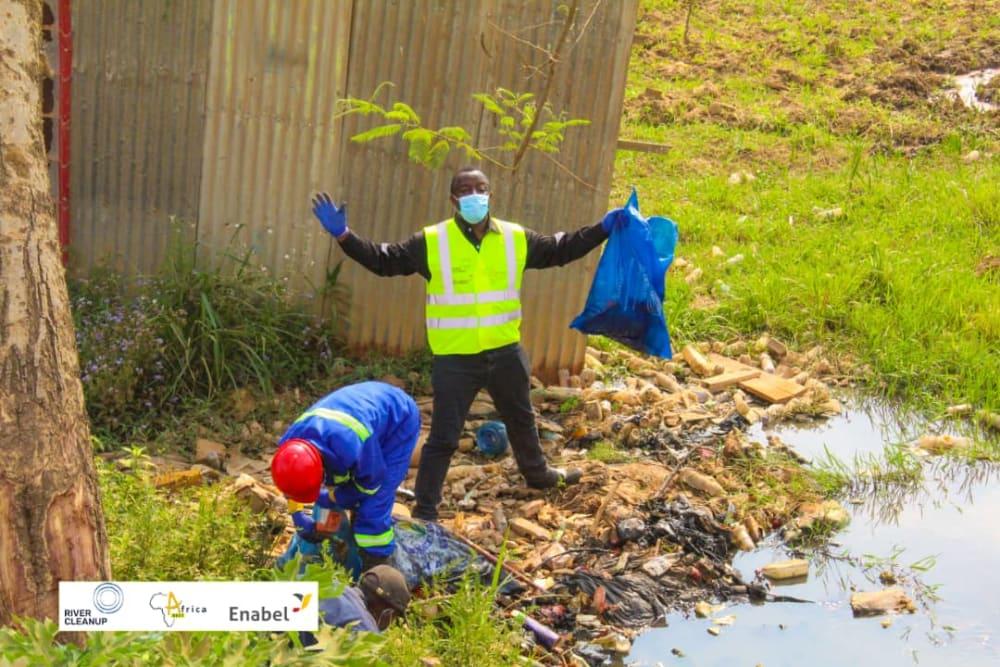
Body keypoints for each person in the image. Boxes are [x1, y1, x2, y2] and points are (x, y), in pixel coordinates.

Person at [310, 167, 618, 521]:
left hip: (505, 351)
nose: (475, 194)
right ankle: (426, 509)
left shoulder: (514, 237)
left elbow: (560, 249)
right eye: (466, 189)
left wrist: (602, 229)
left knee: (521, 418)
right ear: (453, 199)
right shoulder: (432, 241)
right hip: (456, 359)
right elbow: (385, 261)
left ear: (490, 194)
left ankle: (539, 475)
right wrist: (345, 236)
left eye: (481, 188)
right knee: (444, 437)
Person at [271, 381, 420, 570]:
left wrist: (335, 497)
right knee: (333, 495)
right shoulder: (289, 447)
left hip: (399, 420)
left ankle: (376, 569)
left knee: (373, 508)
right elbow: (294, 486)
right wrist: (299, 516)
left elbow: (371, 483)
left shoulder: (350, 443)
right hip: (359, 419)